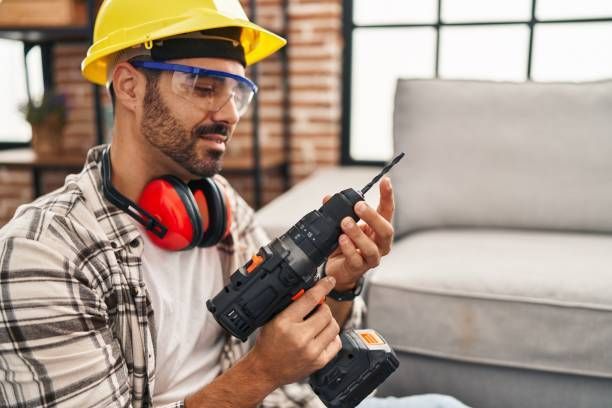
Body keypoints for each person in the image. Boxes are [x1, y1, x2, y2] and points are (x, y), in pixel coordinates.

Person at [0, 1, 467, 407]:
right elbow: (271, 368)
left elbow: (298, 350)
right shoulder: (44, 255)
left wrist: (340, 286)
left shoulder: (218, 204)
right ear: (129, 87)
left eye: (237, 93)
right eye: (205, 87)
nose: (228, 114)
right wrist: (262, 372)